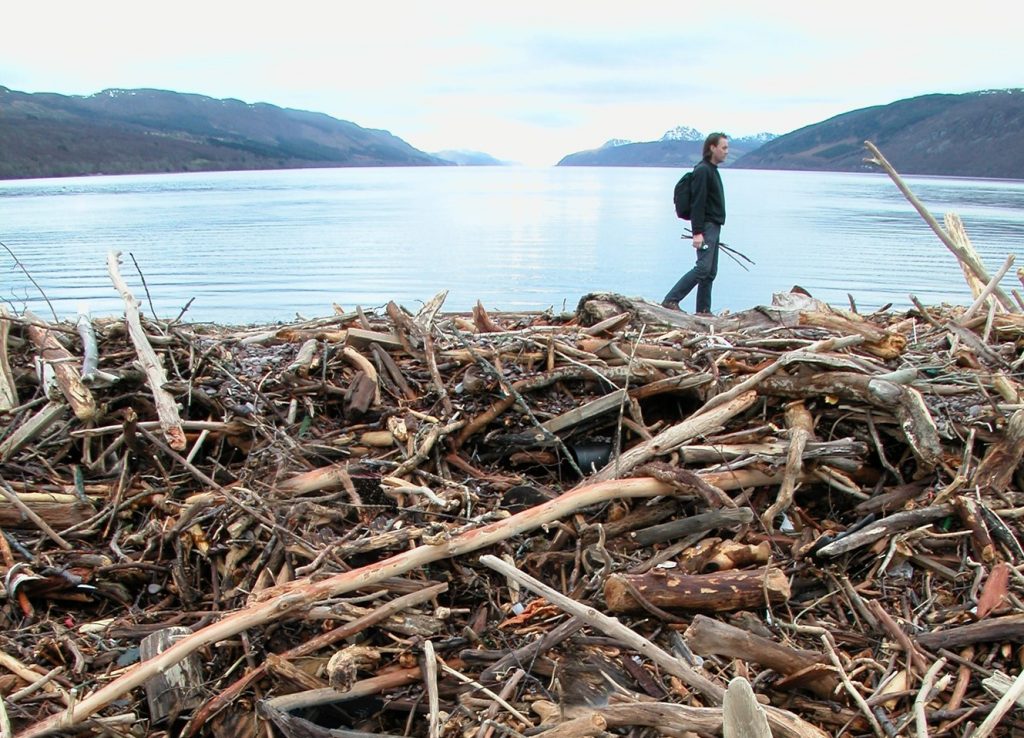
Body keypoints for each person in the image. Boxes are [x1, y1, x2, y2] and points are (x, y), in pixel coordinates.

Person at [662, 132, 729, 314]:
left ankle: (703, 311)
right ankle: (671, 300)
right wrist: (697, 232)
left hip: (713, 226)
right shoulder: (703, 171)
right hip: (706, 226)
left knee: (710, 272)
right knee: (702, 269)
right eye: (723, 148)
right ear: (712, 148)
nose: (726, 152)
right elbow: (697, 203)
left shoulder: (711, 170)